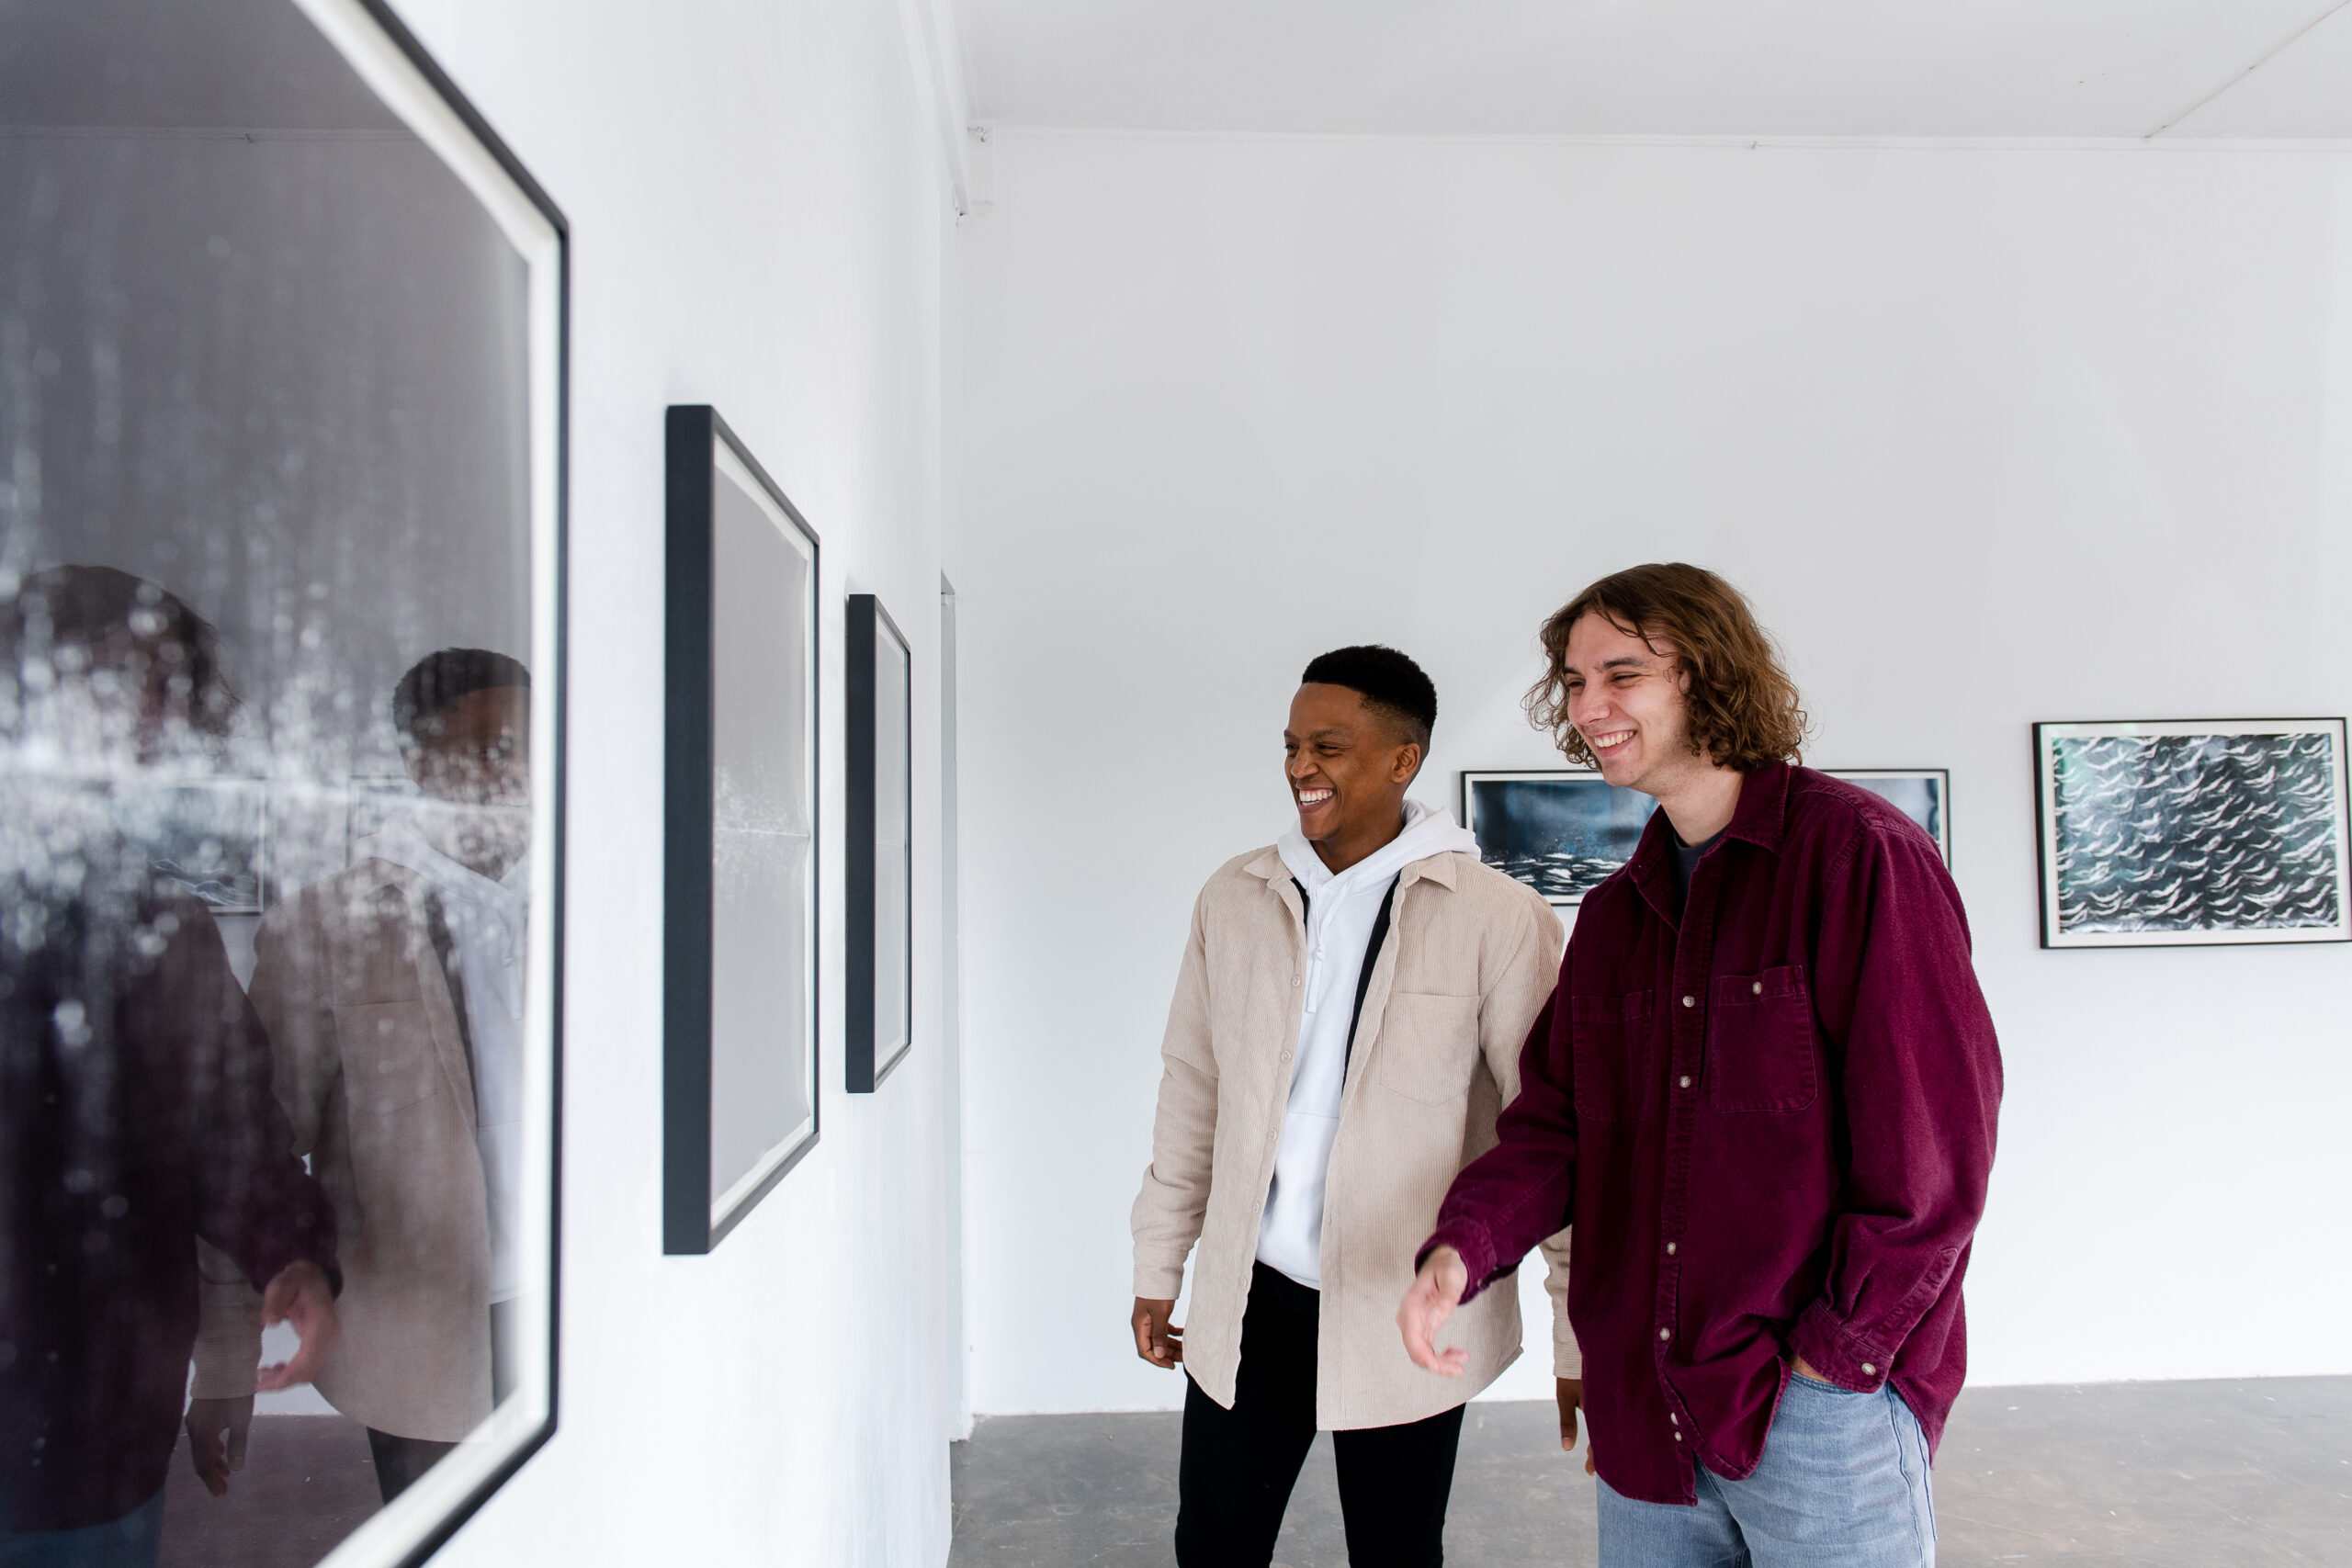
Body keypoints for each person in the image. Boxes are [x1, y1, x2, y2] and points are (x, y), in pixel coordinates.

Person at [1396, 564, 2002, 1568]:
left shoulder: (1859, 858)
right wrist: (1461, 1249)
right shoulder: (1613, 918)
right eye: (1575, 682)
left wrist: (1832, 1367)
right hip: (1647, 1424)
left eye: (1620, 674)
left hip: (1814, 1420)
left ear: (1707, 674)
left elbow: (1933, 1166)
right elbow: (1555, 1129)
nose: (1588, 708)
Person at [1130, 645, 1566, 1568]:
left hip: (1401, 1303)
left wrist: (1579, 1341)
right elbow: (1192, 1087)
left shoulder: (1498, 918)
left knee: (1397, 1552)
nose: (1299, 767)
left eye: (1327, 745)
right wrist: (1158, 1260)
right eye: (1291, 745)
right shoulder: (1236, 896)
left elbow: (1550, 1137)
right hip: (1251, 1298)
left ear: (1402, 761)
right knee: (1211, 1545)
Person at [0, 565, 341, 1565]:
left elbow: (229, 1128)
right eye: (110, 684)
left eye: (161, 699)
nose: (143, 724)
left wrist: (290, 1253)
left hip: (91, 1416)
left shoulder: (160, 922)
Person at [194, 649, 532, 1505]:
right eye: (487, 748)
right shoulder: (328, 923)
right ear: (420, 763)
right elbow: (247, 1152)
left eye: (528, 749)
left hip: (579, 1301)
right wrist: (226, 1364)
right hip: (424, 1322)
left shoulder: (583, 903)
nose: (514, 773)